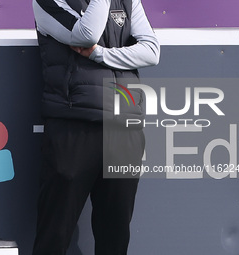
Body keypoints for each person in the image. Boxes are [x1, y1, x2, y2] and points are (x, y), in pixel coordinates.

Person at [32, 0, 160, 254]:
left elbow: (151, 51)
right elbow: (85, 35)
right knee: (54, 235)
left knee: (115, 235)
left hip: (124, 127)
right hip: (73, 125)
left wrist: (100, 54)